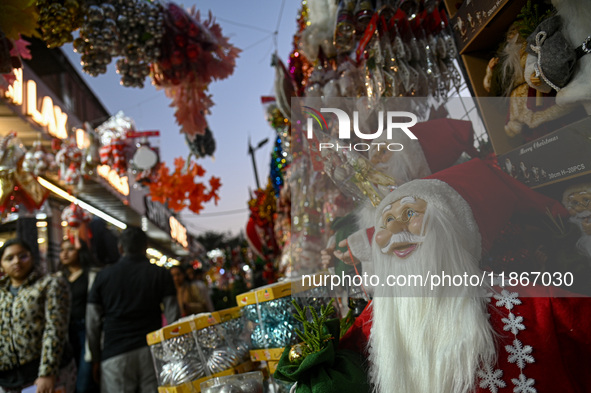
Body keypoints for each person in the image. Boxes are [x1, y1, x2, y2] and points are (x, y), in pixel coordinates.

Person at [338, 159, 591, 393]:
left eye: (409, 213)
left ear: (451, 226)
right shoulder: (374, 321)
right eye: (387, 220)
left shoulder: (534, 305)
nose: (393, 228)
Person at [86, 227, 180, 392]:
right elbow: (173, 316)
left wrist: (95, 358)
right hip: (152, 353)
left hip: (115, 355)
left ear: (120, 247)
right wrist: (173, 353)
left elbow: (92, 322)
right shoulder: (160, 274)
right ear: (145, 247)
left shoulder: (102, 277)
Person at [0, 239, 76, 393]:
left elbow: (55, 329)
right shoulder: (2, 293)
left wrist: (48, 373)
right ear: (1, 264)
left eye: (23, 256)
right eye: (9, 258)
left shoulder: (50, 284)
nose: (16, 262)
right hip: (8, 379)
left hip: (44, 374)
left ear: (32, 257)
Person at [59, 239, 100, 393]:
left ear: (80, 251)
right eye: (62, 250)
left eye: (70, 249)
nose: (65, 253)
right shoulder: (58, 278)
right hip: (66, 333)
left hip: (87, 330)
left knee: (84, 381)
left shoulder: (92, 275)